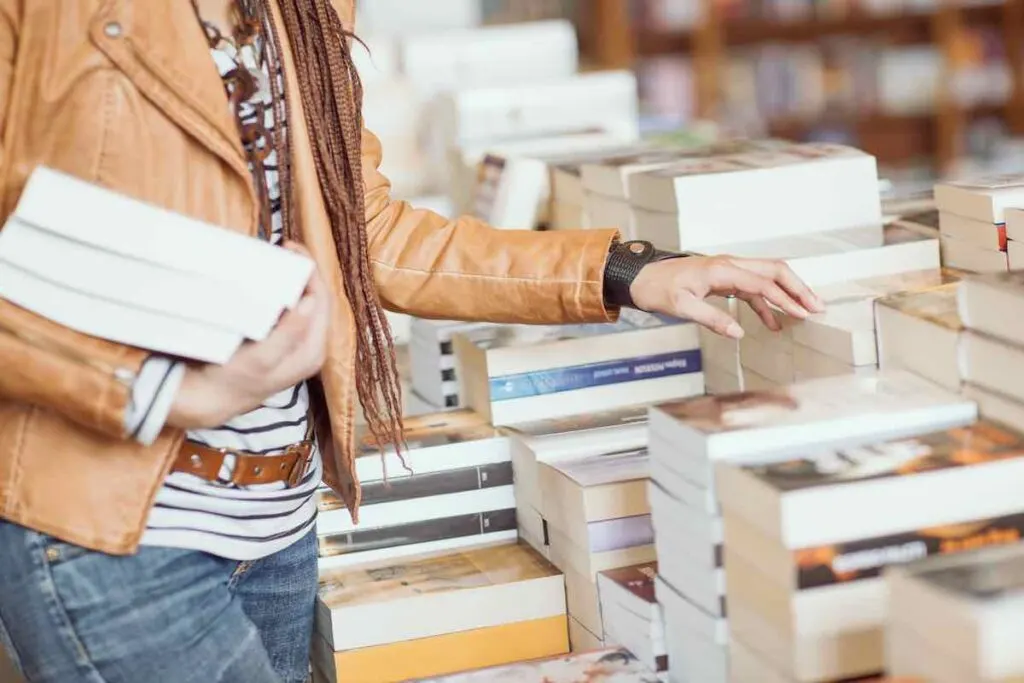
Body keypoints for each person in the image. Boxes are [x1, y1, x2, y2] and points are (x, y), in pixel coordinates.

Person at [0, 1, 823, 682]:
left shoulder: (298, 11)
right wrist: (171, 393)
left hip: (278, 519)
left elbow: (367, 230)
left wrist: (624, 271)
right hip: (115, 531)